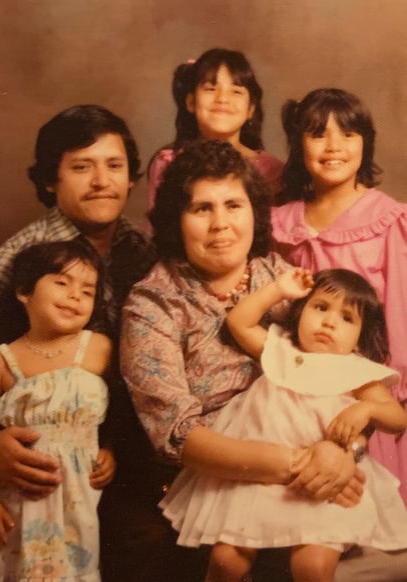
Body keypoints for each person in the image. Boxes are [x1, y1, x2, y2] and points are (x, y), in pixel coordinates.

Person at [121, 139, 407, 580]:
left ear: (255, 212)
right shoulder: (152, 304)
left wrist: (344, 448)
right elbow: (178, 436)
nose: (221, 225)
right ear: (178, 221)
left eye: (234, 205)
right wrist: (305, 464)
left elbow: (339, 371)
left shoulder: (287, 279)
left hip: (320, 469)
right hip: (217, 482)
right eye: (202, 209)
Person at [0, 105, 182, 582]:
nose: (100, 181)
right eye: (80, 166)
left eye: (113, 166)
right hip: (29, 475)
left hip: (115, 461)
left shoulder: (146, 254)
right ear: (51, 180)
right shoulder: (8, 264)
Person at [160, 268, 407, 582]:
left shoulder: (357, 371)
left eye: (347, 318)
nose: (330, 322)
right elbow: (238, 321)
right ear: (301, 311)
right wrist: (279, 289)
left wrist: (367, 408)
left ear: (360, 338)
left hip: (319, 483)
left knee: (313, 568)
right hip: (258, 478)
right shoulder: (279, 350)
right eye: (320, 308)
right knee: (226, 562)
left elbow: (399, 419)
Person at [271, 88, 407, 508]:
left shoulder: (387, 219)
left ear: (364, 143)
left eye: (347, 134)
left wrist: (390, 394)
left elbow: (401, 316)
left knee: (362, 512)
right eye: (318, 135)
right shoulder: (281, 223)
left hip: (367, 389)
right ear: (298, 145)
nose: (334, 147)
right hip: (295, 391)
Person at [0, 241, 115, 581]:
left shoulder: (99, 348)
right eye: (61, 282)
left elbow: (124, 415)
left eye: (87, 291)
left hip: (79, 499)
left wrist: (112, 450)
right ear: (24, 291)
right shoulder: (2, 361)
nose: (75, 296)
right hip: (16, 503)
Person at [147, 47, 284, 210]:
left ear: (250, 109)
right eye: (211, 89)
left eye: (236, 91)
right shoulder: (168, 163)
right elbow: (159, 229)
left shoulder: (271, 170)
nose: (222, 99)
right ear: (191, 102)